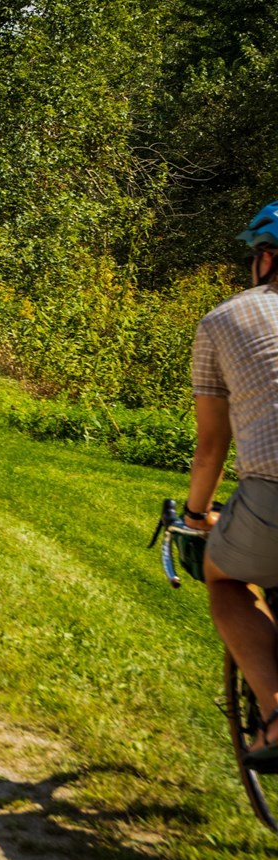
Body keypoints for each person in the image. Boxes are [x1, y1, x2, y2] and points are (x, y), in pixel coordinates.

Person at [186, 200, 278, 759]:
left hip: (270, 492)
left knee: (224, 579)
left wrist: (197, 515)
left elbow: (211, 445)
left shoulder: (223, 320)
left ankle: (273, 712)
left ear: (265, 258)